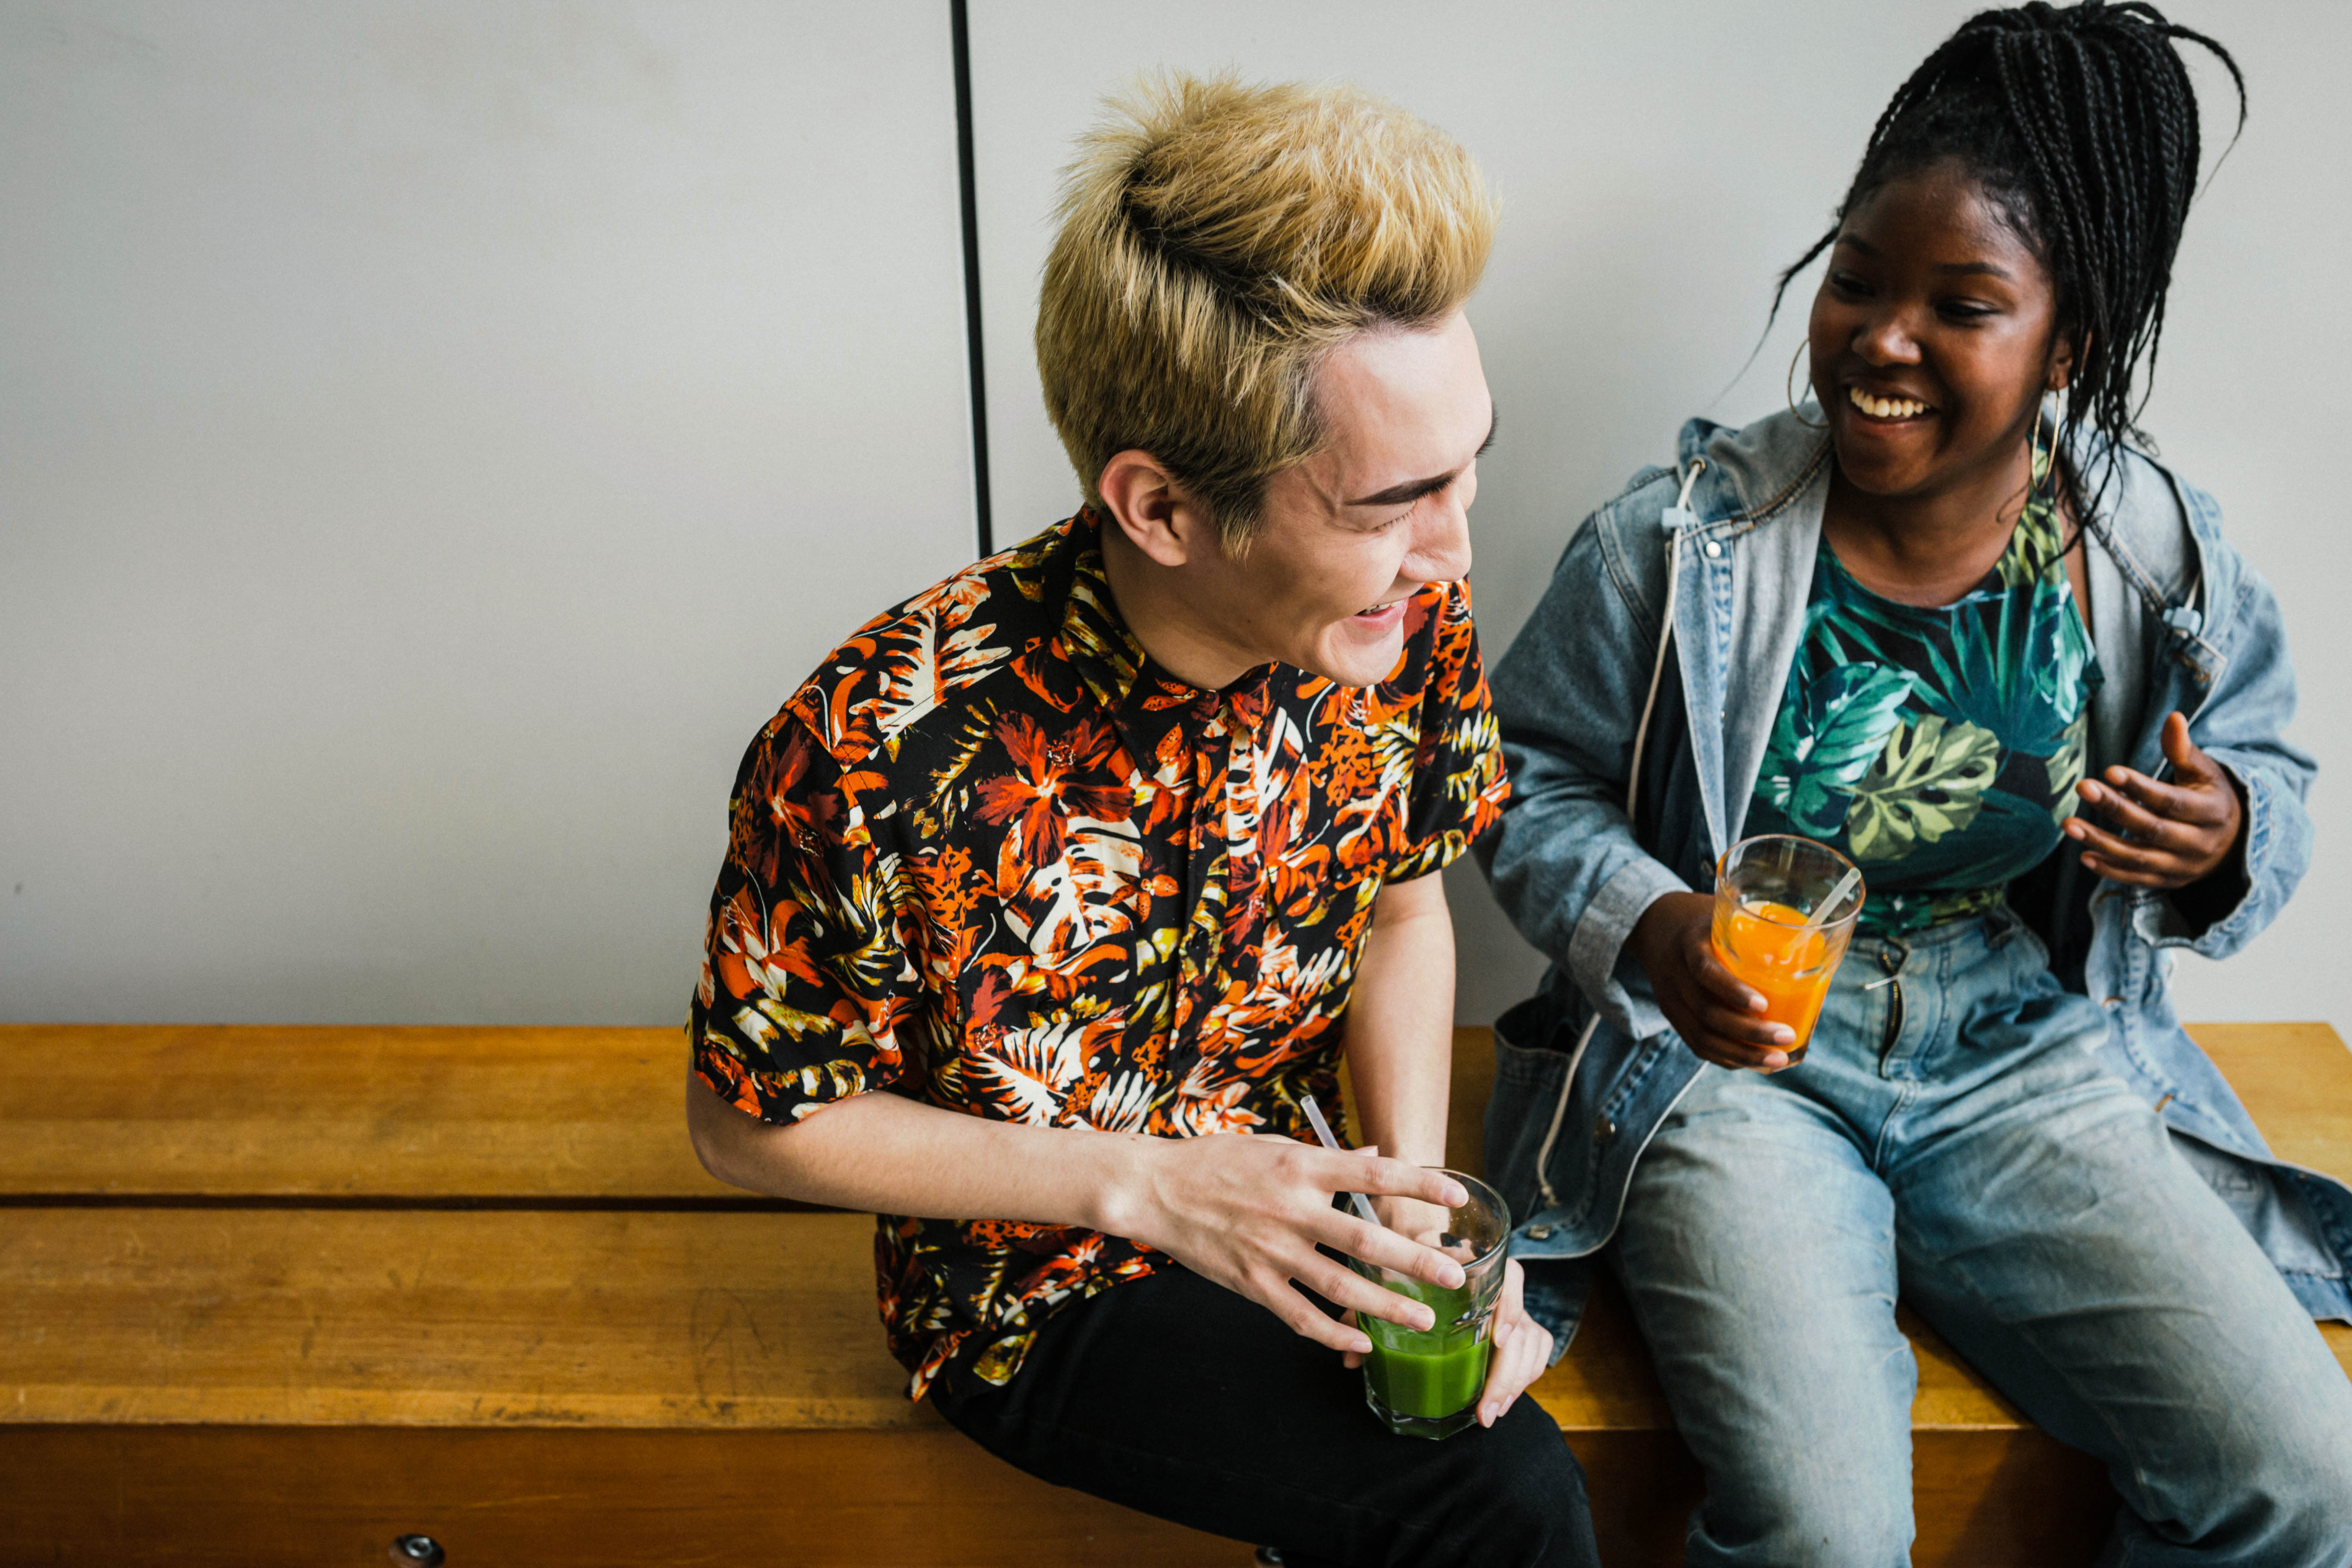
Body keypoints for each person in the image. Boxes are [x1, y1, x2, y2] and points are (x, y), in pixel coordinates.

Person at [683, 74, 1596, 1568]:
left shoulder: (1393, 618)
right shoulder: (868, 744)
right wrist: (1159, 1188)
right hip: (1034, 1288)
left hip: (1312, 1197)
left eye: (1468, 468)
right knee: (1501, 1504)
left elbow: (1406, 910)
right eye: (1391, 503)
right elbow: (746, 1128)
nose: (1455, 548)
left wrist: (1412, 1227)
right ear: (1162, 509)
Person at [1479, 4, 2352, 1564]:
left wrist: (2224, 849)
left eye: (1963, 305)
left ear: (2066, 341)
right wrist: (1658, 924)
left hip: (2029, 1048)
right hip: (1738, 1069)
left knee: (2309, 1484)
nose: (1883, 338)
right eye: (1859, 281)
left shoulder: (2152, 554)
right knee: (1823, 1532)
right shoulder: (1683, 543)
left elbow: (2270, 770)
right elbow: (1523, 781)